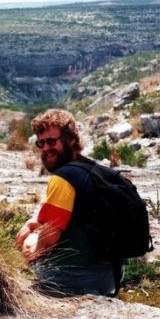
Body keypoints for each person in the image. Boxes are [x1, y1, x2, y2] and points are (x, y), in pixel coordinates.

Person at [15, 109, 123, 296]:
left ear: (70, 140)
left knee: (31, 240)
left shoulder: (64, 178)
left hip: (75, 277)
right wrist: (37, 222)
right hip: (113, 276)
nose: (46, 148)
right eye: (41, 142)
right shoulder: (94, 170)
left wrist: (33, 254)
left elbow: (49, 239)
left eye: (51, 141)